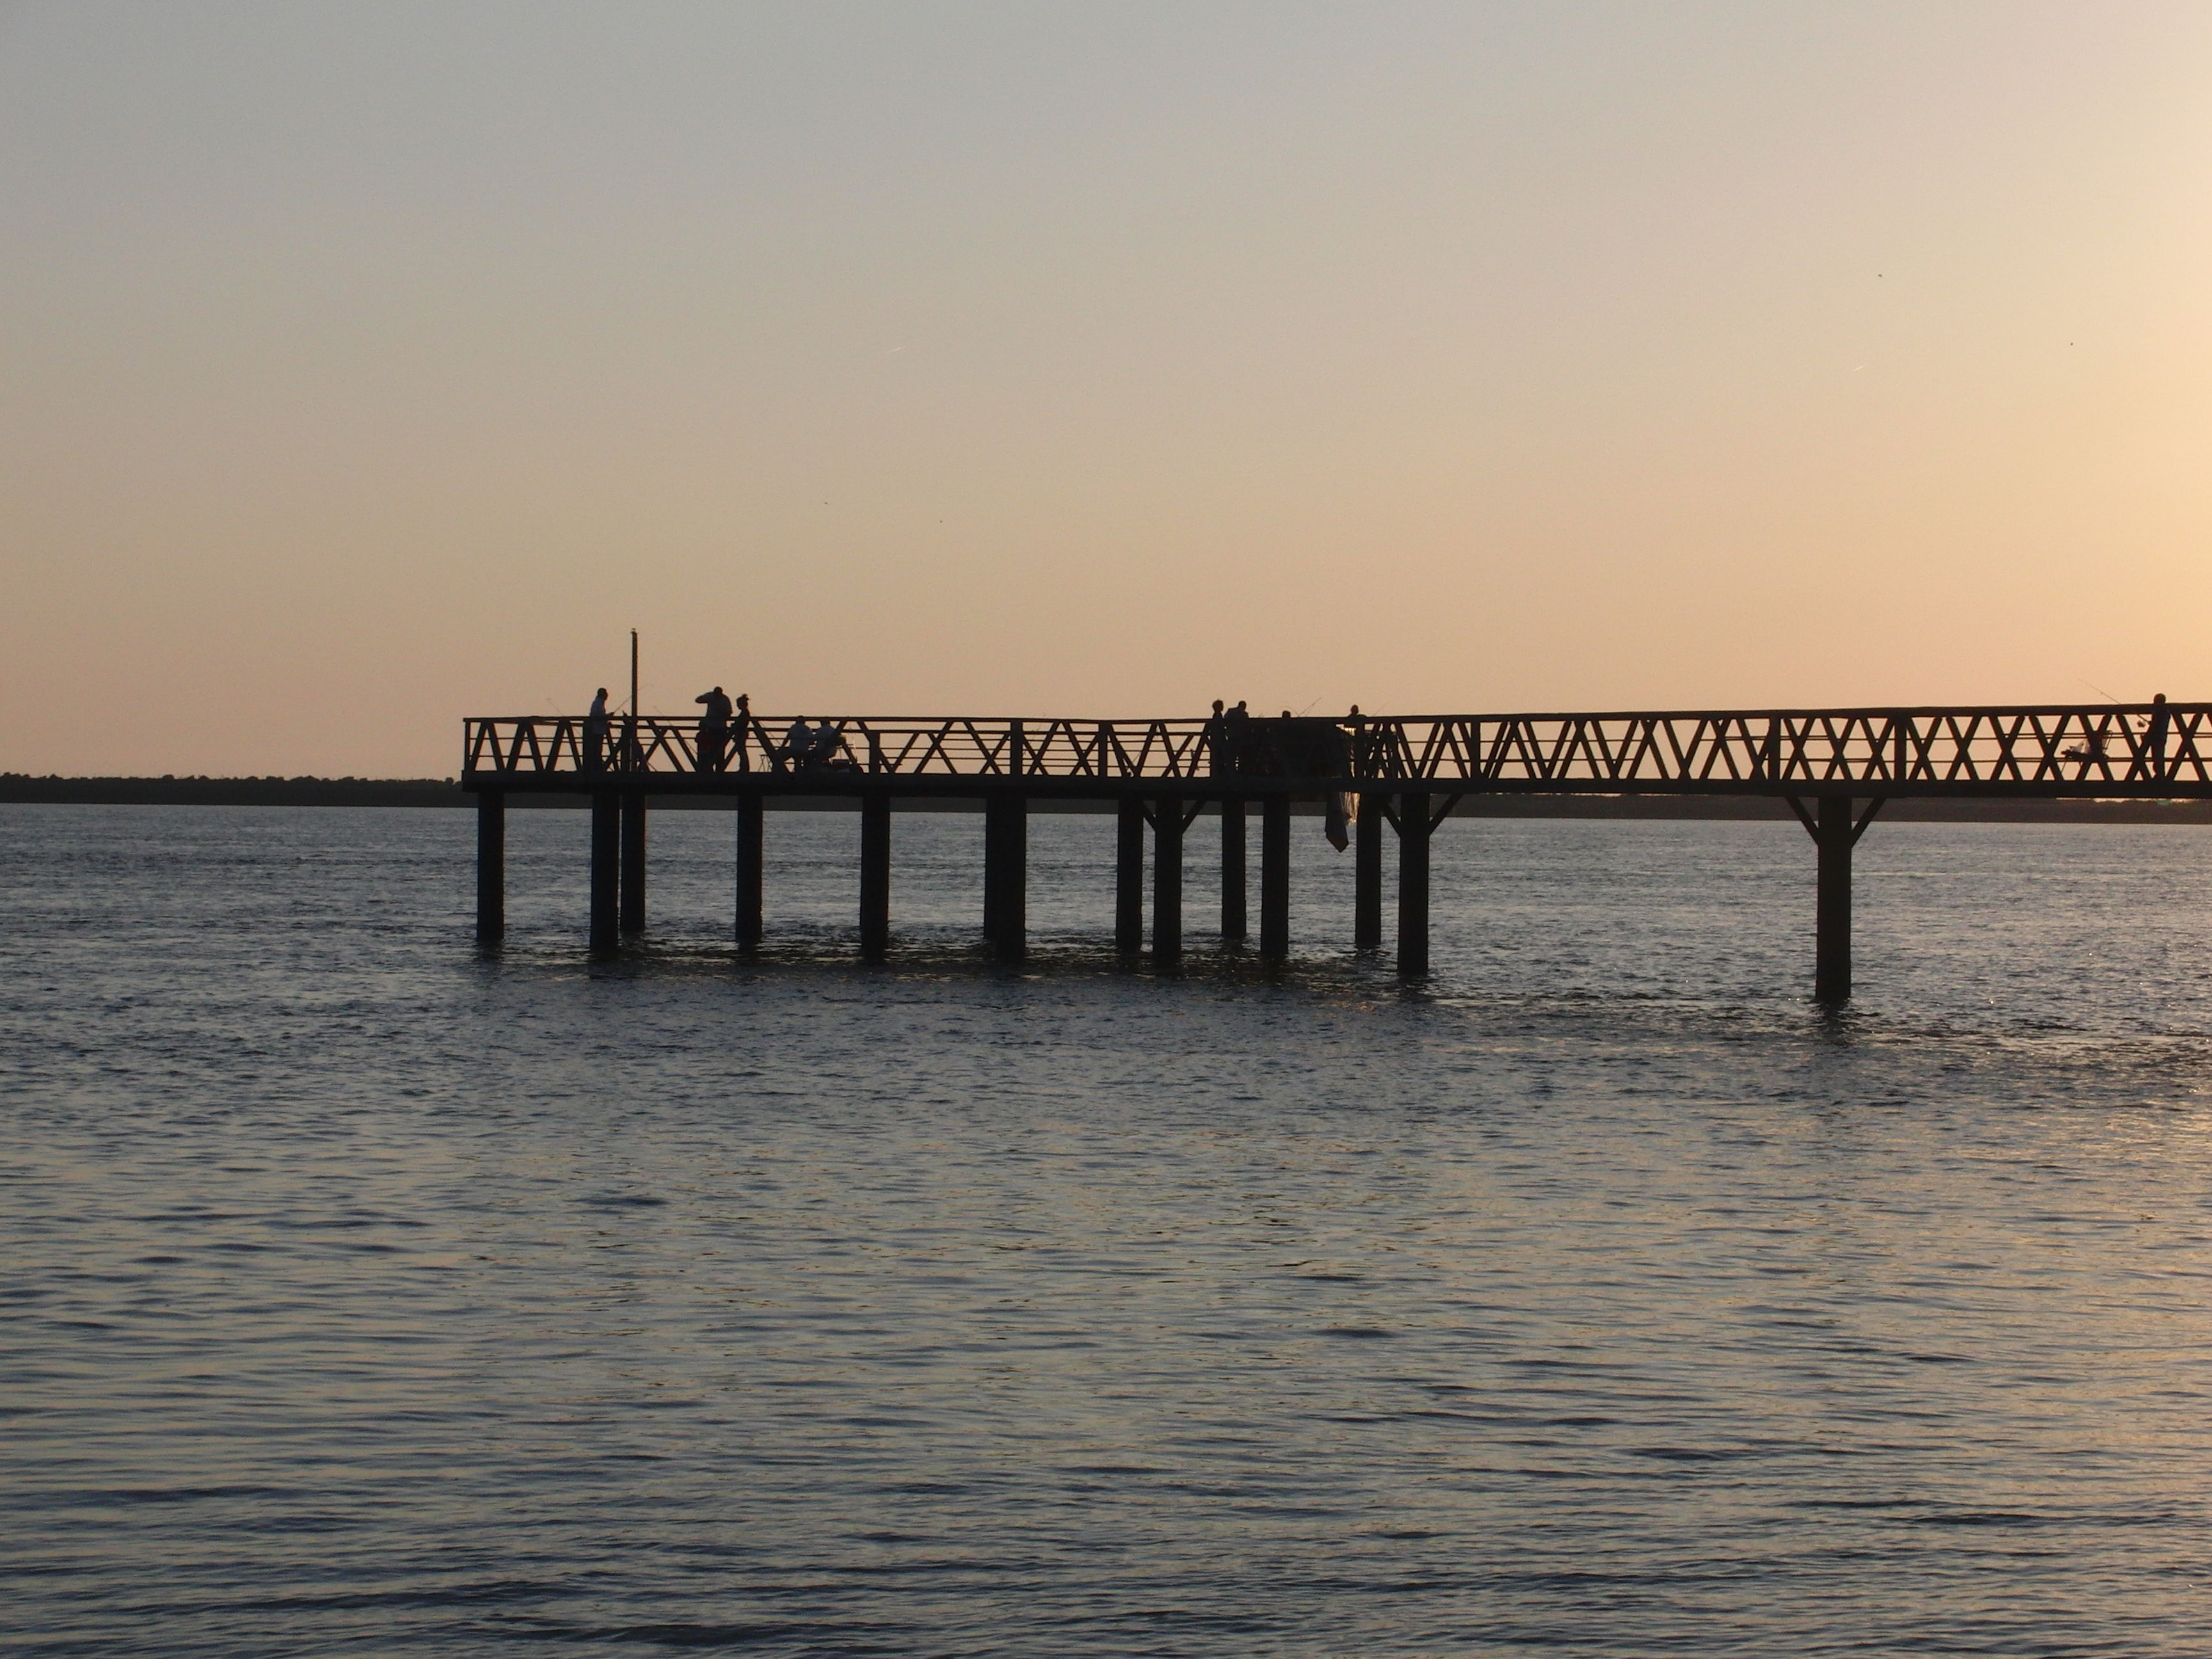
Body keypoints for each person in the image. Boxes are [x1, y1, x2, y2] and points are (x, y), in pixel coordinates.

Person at [694, 685, 733, 773]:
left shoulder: (725, 699)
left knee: (720, 749)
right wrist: (707, 697)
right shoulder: (711, 696)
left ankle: (719, 769)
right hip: (711, 728)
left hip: (720, 728)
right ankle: (710, 768)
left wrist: (721, 712)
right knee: (711, 749)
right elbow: (698, 700)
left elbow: (729, 713)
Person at [582, 687, 609, 773]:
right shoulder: (598, 703)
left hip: (598, 729)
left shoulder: (598, 703)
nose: (607, 695)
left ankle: (597, 765)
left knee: (598, 749)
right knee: (597, 749)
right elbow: (596, 716)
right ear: (603, 695)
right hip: (597, 730)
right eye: (606, 693)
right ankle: (597, 766)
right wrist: (608, 717)